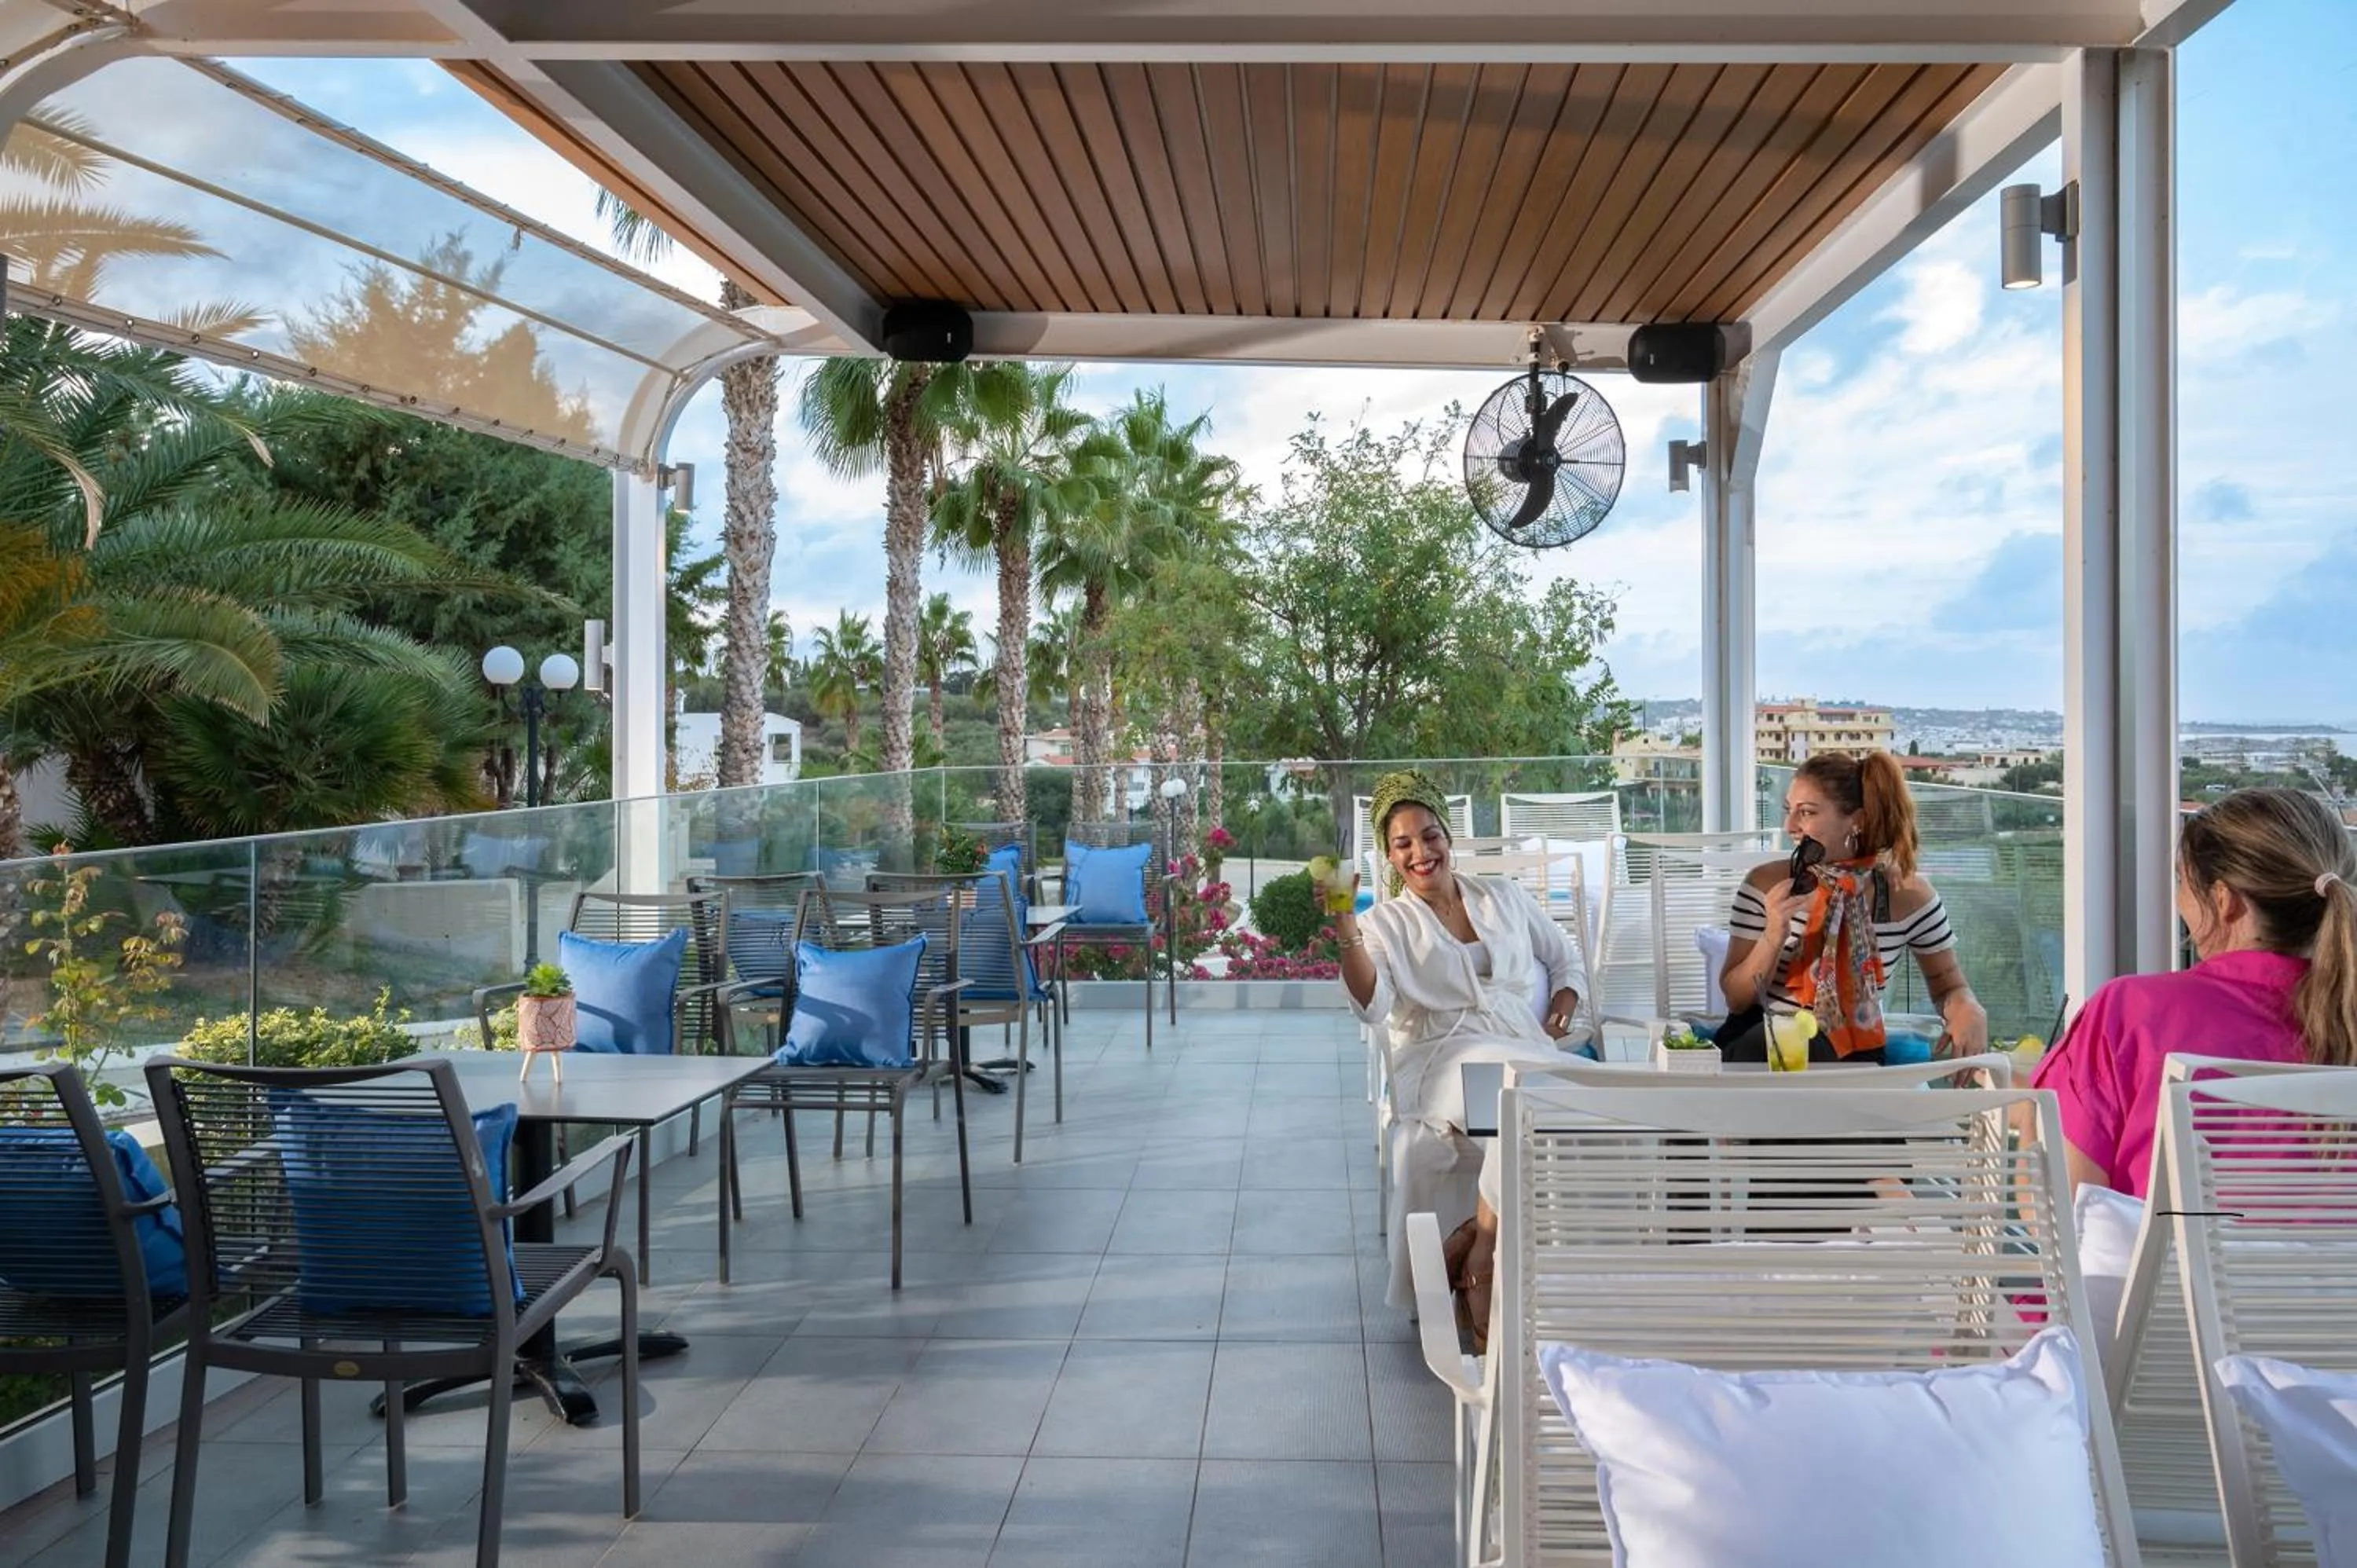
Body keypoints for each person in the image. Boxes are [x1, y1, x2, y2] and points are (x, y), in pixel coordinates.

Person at [1326, 770, 1589, 1343]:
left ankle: (1481, 1247)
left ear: (1448, 836)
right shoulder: (1384, 924)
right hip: (1441, 1059)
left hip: (1523, 1043)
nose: (1421, 852)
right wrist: (1346, 926)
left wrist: (1563, 1008)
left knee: (1538, 1096)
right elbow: (1373, 1009)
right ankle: (1489, 1265)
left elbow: (1565, 958)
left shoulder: (1503, 896)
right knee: (1516, 1087)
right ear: (1390, 857)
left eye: (1430, 835)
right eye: (1404, 844)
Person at [2032, 786, 2357, 1196]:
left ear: (2225, 901)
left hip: (2176, 1264)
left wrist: (2035, 1109)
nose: (2178, 900)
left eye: (2182, 882)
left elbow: (2062, 1201)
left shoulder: (2132, 1014)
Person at [1719, 750, 1989, 1064]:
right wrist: (1773, 936)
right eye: (1788, 810)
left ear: (1856, 821)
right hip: (1760, 1048)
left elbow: (1949, 987)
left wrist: (1969, 1006)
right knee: (1802, 1043)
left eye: (1806, 813)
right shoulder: (1764, 884)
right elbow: (1737, 1001)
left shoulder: (1907, 895)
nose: (1789, 825)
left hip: (1855, 1055)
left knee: (1833, 1050)